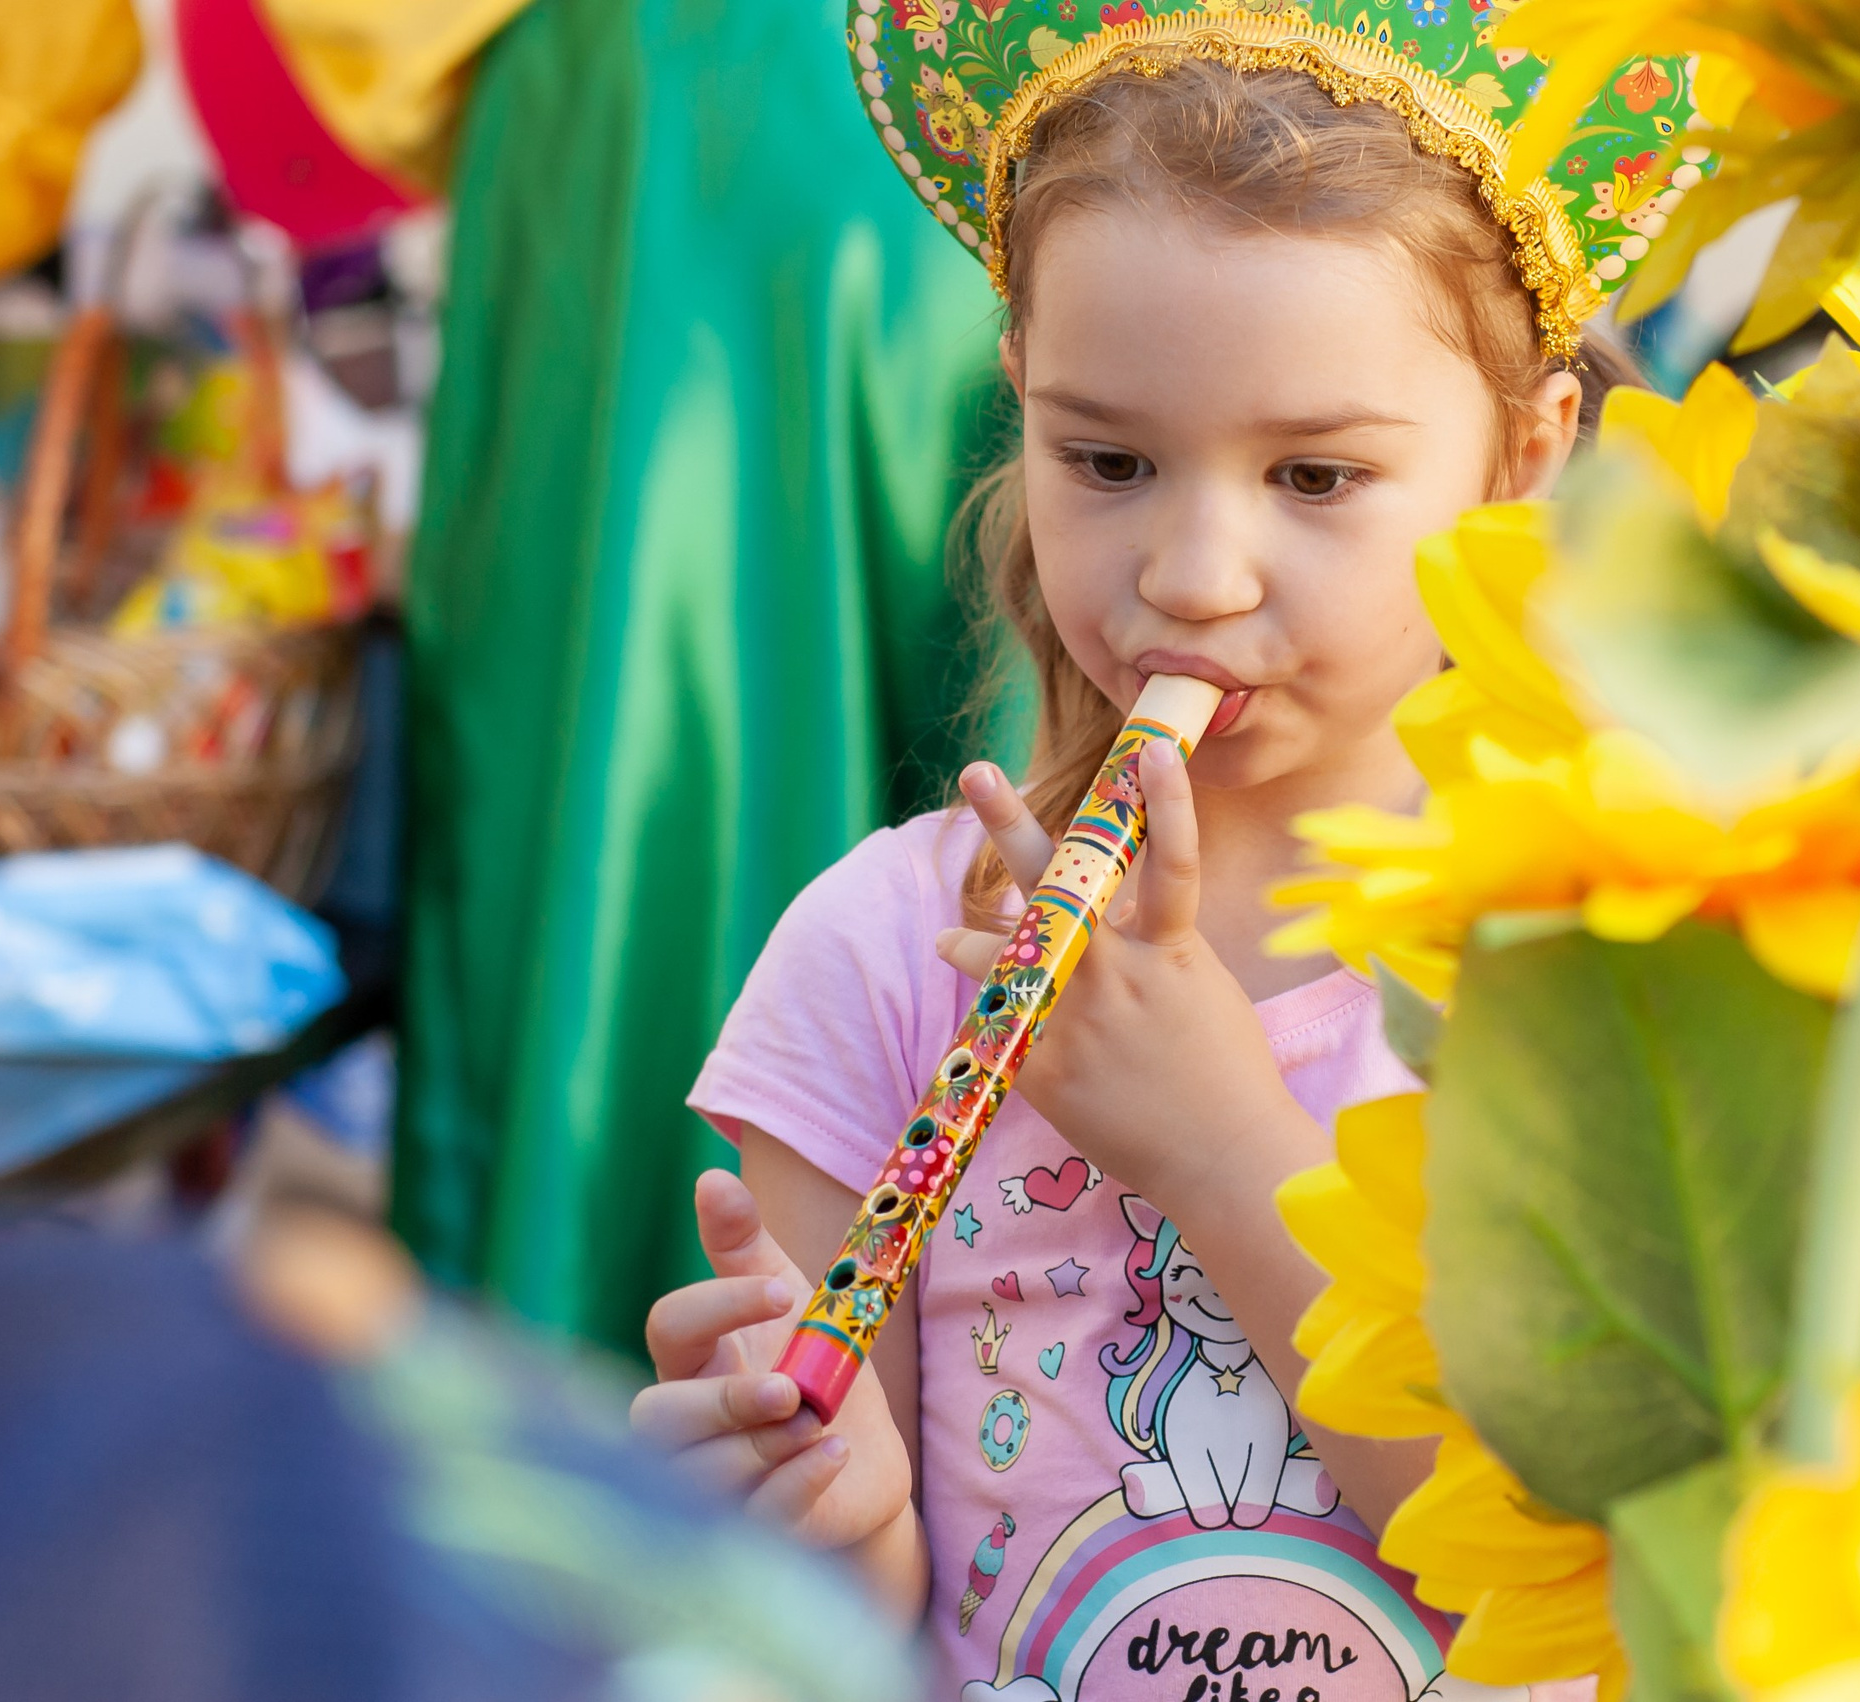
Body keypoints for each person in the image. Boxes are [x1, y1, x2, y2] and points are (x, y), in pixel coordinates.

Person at [627, 10, 1695, 1696]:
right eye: (1108, 459)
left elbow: (1579, 1573)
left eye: (1317, 474)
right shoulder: (889, 954)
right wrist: (834, 1510)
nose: (1195, 571)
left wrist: (1220, 1146)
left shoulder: (1618, 943)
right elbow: (868, 1627)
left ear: (1529, 453)